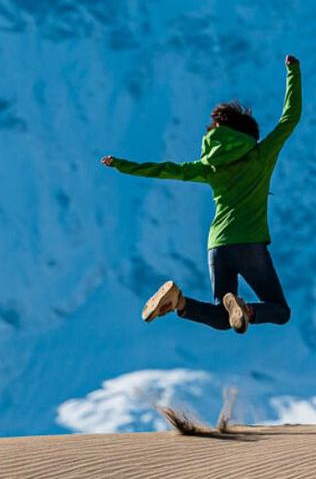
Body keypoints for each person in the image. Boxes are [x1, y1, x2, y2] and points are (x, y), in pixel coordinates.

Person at [101, 55, 301, 334]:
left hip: (217, 247)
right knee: (279, 311)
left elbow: (165, 170)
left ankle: (178, 302)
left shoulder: (209, 166)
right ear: (248, 134)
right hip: (249, 244)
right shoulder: (259, 156)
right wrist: (293, 71)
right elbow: (290, 118)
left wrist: (122, 164)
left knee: (222, 318)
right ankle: (247, 309)